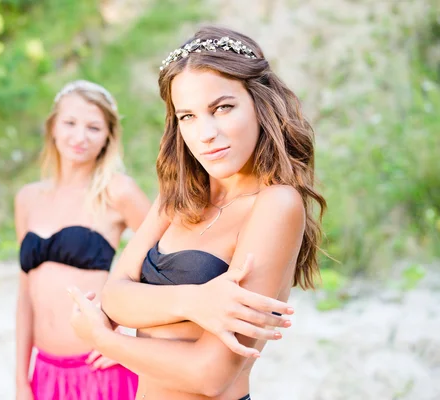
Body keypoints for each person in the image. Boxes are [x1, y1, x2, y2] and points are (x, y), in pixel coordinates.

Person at [68, 26, 326, 400]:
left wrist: (101, 338)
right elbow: (114, 297)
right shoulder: (180, 195)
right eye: (187, 116)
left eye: (222, 108)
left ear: (259, 103)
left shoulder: (275, 204)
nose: (205, 133)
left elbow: (209, 375)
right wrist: (194, 301)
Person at [15, 80, 151, 400]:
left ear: (107, 137)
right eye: (70, 123)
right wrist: (21, 380)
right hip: (45, 373)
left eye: (93, 127)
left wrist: (135, 344)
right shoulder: (28, 198)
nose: (79, 137)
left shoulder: (118, 192)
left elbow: (170, 265)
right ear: (53, 127)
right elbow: (25, 297)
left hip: (101, 371)